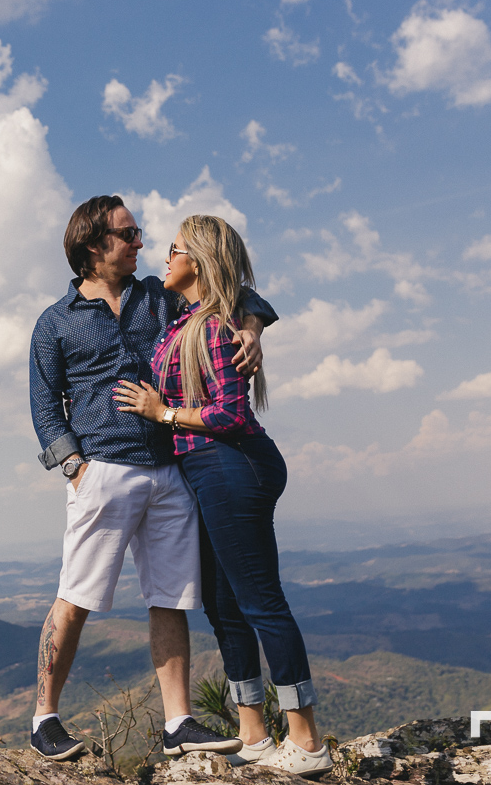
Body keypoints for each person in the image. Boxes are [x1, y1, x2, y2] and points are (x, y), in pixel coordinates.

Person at [28, 197, 278, 761]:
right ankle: (44, 717)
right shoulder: (55, 322)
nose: (141, 242)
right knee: (75, 595)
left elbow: (233, 289)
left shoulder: (157, 297)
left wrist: (253, 327)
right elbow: (45, 408)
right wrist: (76, 468)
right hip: (103, 470)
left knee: (171, 598)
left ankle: (177, 722)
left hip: (170, 469)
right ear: (95, 246)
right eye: (129, 233)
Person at [113, 214, 330, 778]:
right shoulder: (187, 316)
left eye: (175, 249)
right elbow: (241, 294)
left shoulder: (216, 327)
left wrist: (161, 412)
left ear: (200, 261)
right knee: (223, 605)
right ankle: (253, 730)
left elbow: (231, 415)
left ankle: (306, 739)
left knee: (260, 601)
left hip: (231, 467)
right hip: (205, 471)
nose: (164, 258)